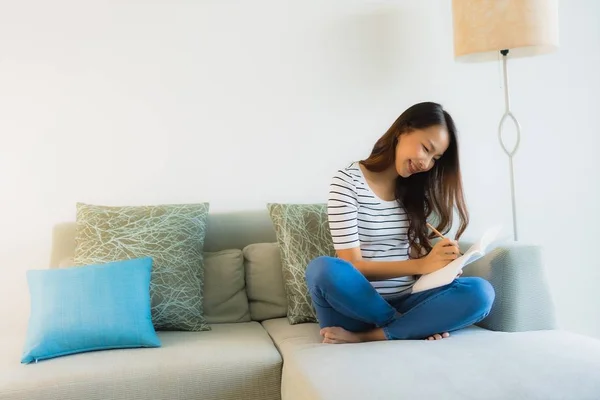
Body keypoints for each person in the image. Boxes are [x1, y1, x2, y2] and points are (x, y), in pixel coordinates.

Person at [305, 101, 495, 343]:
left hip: (408, 300)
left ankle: (373, 336)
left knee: (481, 292)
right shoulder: (347, 182)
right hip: (353, 309)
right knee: (322, 269)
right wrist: (421, 267)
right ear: (403, 130)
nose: (426, 164)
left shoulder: (414, 192)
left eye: (435, 158)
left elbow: (416, 260)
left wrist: (442, 268)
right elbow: (353, 265)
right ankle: (402, 327)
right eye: (426, 148)